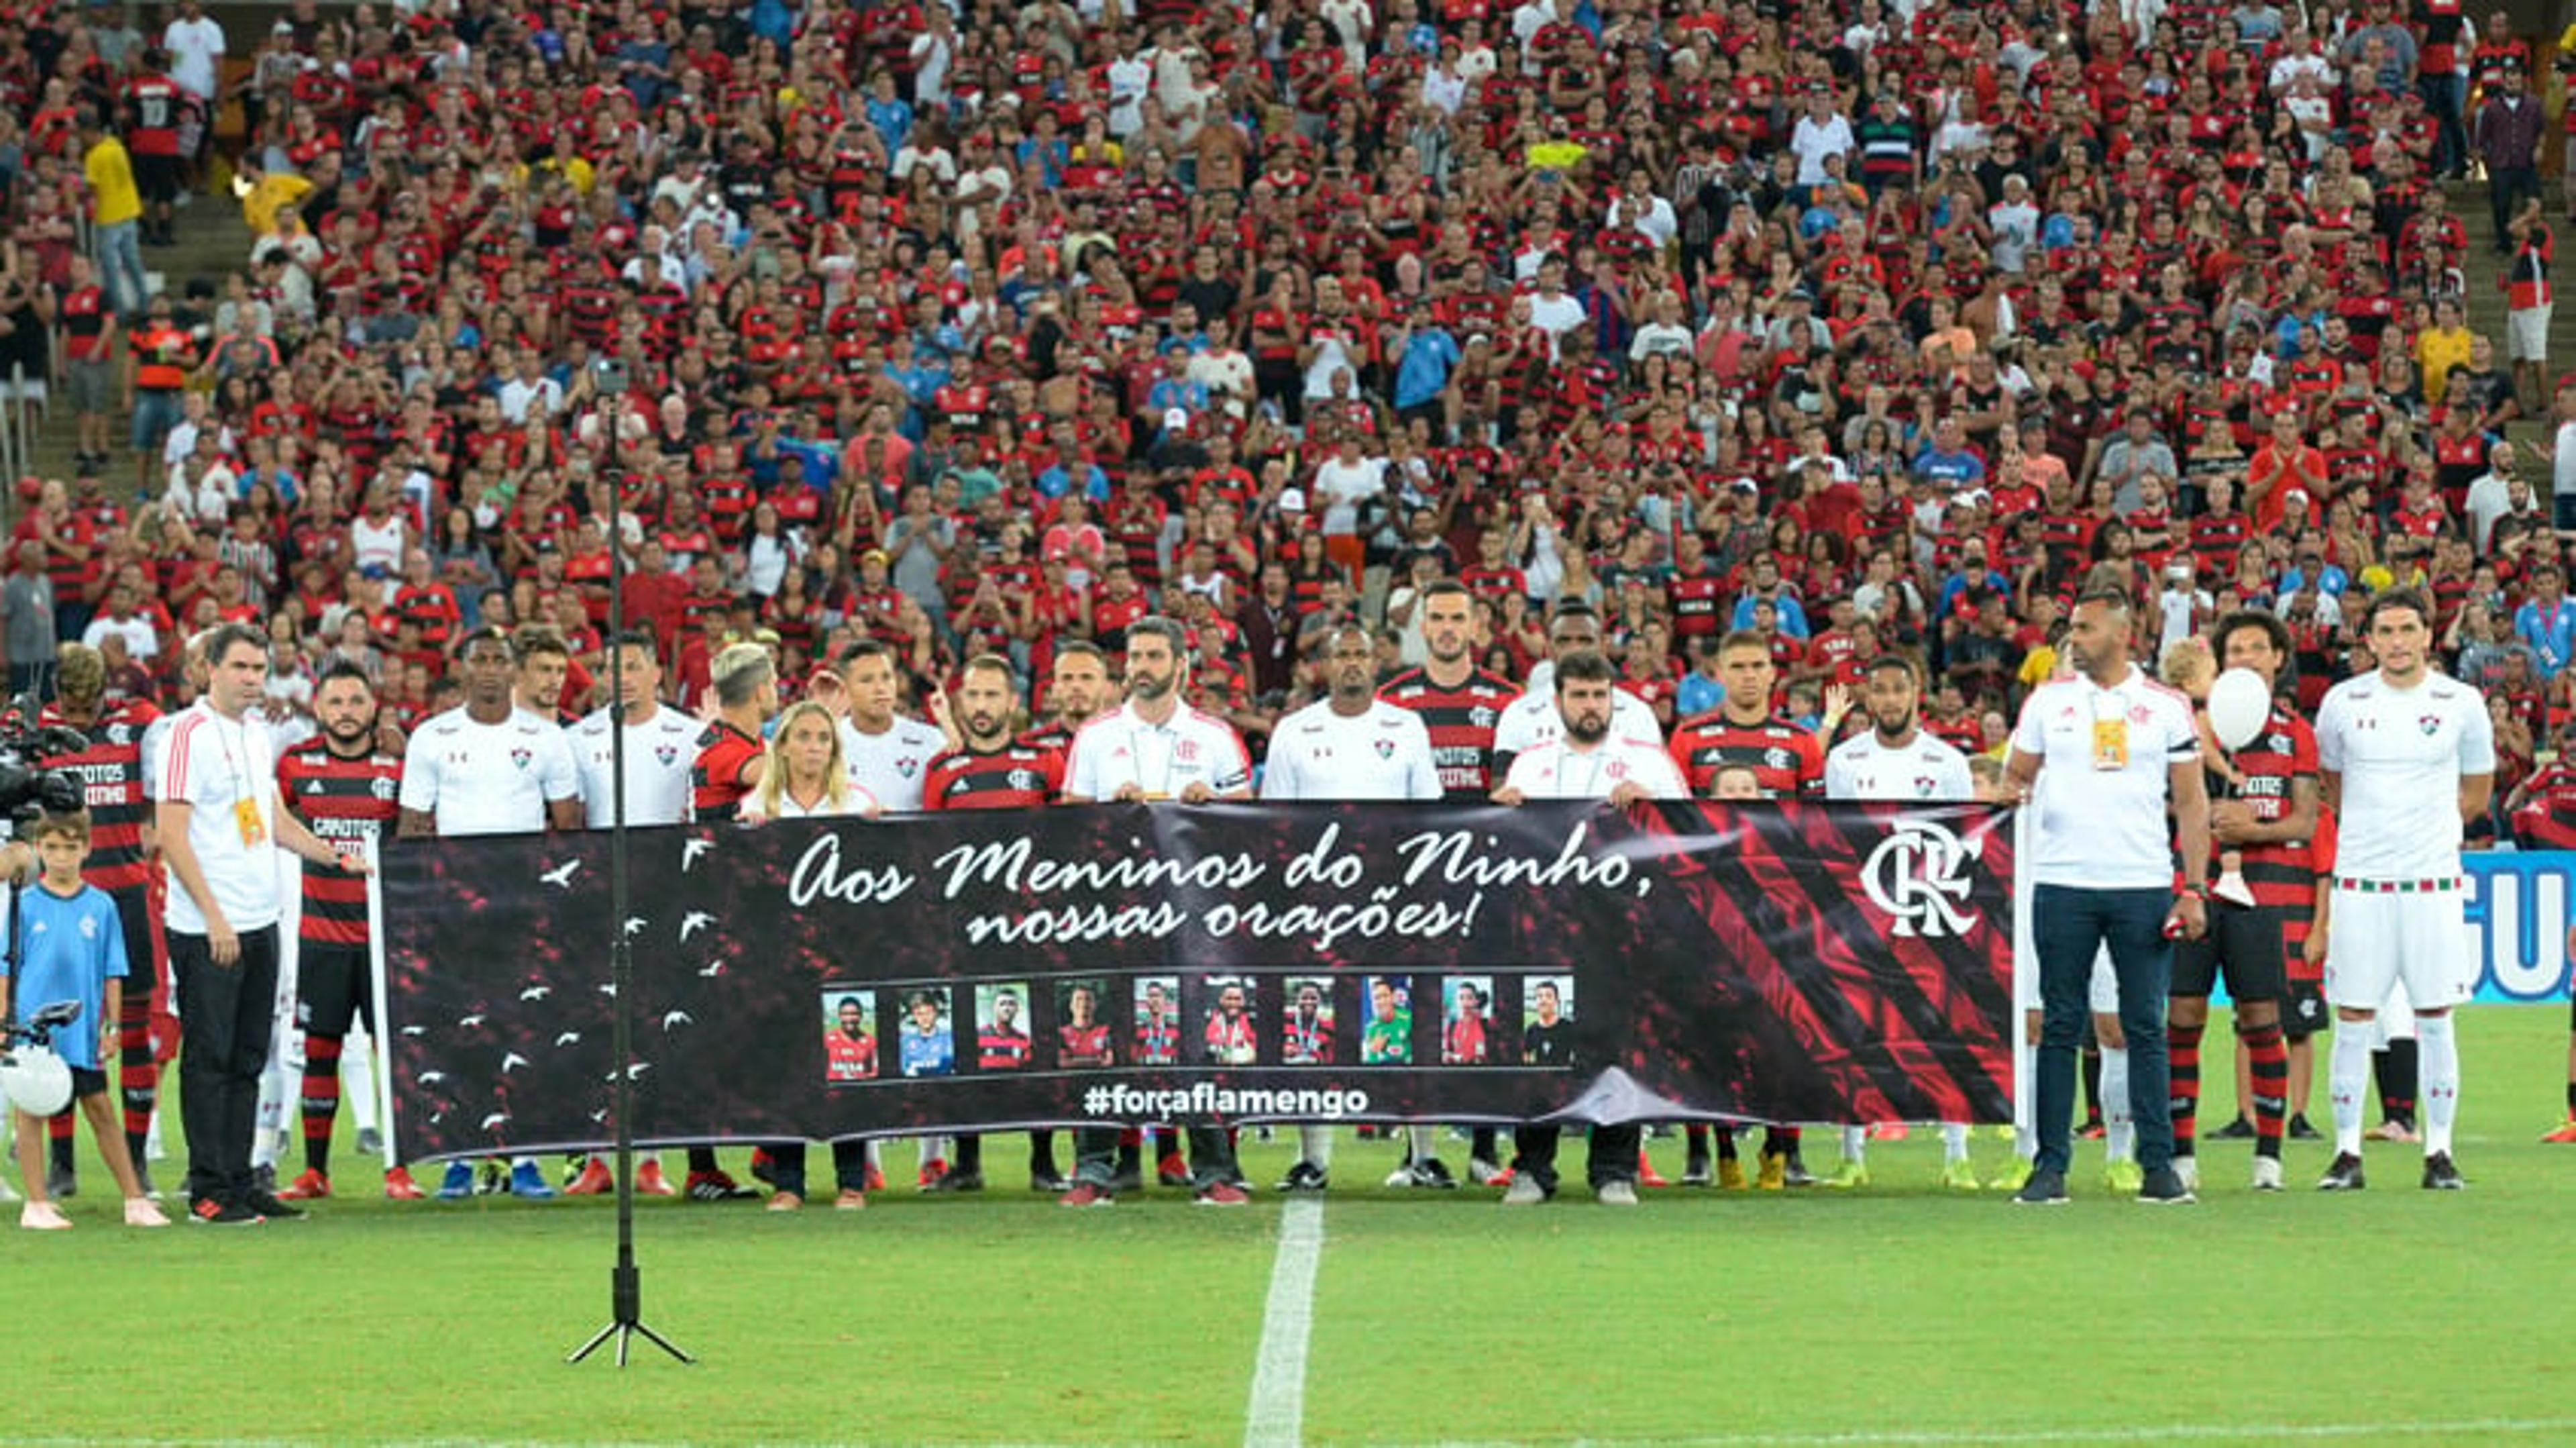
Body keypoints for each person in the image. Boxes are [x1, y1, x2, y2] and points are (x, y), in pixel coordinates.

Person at [158, 622, 370, 1225]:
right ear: (211, 670)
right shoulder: (187, 734)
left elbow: (273, 820)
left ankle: (241, 1177)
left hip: (260, 918)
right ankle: (206, 1187)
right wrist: (215, 917)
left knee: (251, 1054)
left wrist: (334, 856)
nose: (254, 679)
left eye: (260, 669)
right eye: (242, 668)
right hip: (208, 926)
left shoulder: (256, 734)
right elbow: (172, 834)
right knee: (210, 1056)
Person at [2003, 587, 2210, 1206]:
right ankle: (2050, 1167)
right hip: (2062, 882)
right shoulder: (2047, 702)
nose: (2073, 638)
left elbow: (2193, 801)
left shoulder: (2167, 706)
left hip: (2142, 883)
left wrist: (2193, 888)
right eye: (2071, 627)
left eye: (2084, 628)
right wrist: (2011, 795)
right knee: (2061, 1024)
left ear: (2121, 635)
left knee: (2145, 1025)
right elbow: (2016, 776)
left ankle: (2157, 1166)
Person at [1059, 615, 1253, 1207]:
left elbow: (1250, 818)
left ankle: (1215, 1169)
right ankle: (1095, 1169)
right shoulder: (1096, 735)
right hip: (1115, 913)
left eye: (1152, 656)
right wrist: (1107, 815)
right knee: (1103, 1037)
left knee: (1198, 1037)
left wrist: (1212, 805)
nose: (1140, 666)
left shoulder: (1215, 735)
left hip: (1193, 916)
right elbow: (1067, 817)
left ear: (1179, 666)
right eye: (1135, 656)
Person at [2312, 588, 2493, 1191]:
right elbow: (2333, 787)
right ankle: (2345, 1154)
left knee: (2435, 1015)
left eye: (2406, 630)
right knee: (2355, 1015)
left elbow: (2476, 792)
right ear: (2368, 640)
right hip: (2361, 881)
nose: (2396, 642)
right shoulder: (2343, 702)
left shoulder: (2462, 702)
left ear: (2427, 633)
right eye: (2384, 631)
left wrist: (2430, 836)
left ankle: (2439, 1153)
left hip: (2433, 881)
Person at [1491, 649, 1685, 1206]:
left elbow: (1692, 834)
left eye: (1600, 695)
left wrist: (1653, 807)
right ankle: (1532, 1168)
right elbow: (1501, 847)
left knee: (1618, 1048)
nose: (1591, 706)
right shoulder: (1529, 764)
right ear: (1558, 702)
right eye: (1580, 695)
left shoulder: (1647, 761)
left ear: (1614, 702)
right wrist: (1502, 809)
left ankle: (1615, 1170)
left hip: (1623, 930)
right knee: (1541, 1046)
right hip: (1546, 928)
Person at [396, 625, 582, 1202]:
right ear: (462, 668)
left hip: (524, 905)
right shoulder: (432, 737)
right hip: (454, 908)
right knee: (458, 1032)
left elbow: (569, 823)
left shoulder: (546, 738)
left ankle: (524, 1157)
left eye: (501, 659)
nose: (490, 669)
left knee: (525, 1028)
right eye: (479, 659)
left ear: (514, 671)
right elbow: (412, 828)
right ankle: (458, 1158)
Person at [1260, 623, 1441, 1192]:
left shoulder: (1406, 726)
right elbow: (1276, 825)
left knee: (1406, 1017)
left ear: (1377, 662)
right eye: (1342, 656)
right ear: (1324, 665)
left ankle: (1424, 1155)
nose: (1353, 664)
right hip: (1318, 904)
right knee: (1313, 1018)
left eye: (1362, 654)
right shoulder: (1294, 730)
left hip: (1393, 902)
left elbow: (1429, 817)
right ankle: (1312, 1158)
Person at [1665, 628, 1839, 1187]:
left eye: (1757, 665)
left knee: (1788, 1033)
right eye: (1736, 665)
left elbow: (1818, 831)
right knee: (1703, 1031)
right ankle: (1699, 1149)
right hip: (1707, 913)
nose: (1747, 675)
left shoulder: (1800, 743)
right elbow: (1671, 829)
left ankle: (1787, 1147)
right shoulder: (1690, 739)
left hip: (1780, 915)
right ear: (1718, 672)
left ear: (1772, 673)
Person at [1378, 579, 1521, 1184]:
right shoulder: (1393, 700)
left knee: (1480, 1004)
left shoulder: (1507, 700)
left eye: (1456, 618)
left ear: (1476, 625)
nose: (1445, 628)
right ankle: (1418, 1151)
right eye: (1435, 618)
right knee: (1419, 1006)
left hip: (1485, 874)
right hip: (1410, 878)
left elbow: (1517, 786)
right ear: (1422, 627)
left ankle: (1485, 1146)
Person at [1820, 652, 1980, 1190]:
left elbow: (1964, 837)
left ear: (1916, 695)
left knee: (1941, 1027)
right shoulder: (1845, 759)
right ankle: (1852, 1155)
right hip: (1864, 909)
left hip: (1928, 909)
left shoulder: (1947, 761)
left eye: (1898, 689)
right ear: (1867, 697)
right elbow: (1837, 838)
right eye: (1880, 690)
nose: (1889, 700)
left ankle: (1957, 1154)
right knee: (1855, 1028)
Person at [2168, 613, 2315, 1193]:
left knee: (2261, 1020)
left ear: (2279, 657)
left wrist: (2251, 829)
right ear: (2221, 660)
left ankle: (2269, 1155)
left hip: (2263, 897)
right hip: (2192, 891)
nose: (2249, 656)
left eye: (2259, 646)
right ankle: (2181, 1154)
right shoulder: (2184, 721)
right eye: (2237, 648)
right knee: (2182, 1016)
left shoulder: (2295, 732)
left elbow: (2305, 818)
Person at [561, 629, 707, 1199]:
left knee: (658, 1027)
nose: (619, 676)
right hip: (599, 901)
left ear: (656, 674)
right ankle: (597, 1158)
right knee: (600, 1026)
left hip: (667, 901)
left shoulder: (688, 734)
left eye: (631, 666)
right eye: (608, 667)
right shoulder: (578, 738)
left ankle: (650, 1158)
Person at [272, 664, 420, 1201]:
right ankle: (315, 1173)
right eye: (336, 701)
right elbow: (268, 818)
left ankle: (399, 1170)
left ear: (374, 708)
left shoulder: (397, 768)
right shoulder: (294, 765)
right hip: (321, 938)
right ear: (318, 708)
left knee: (395, 1054)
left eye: (357, 700)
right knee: (320, 1051)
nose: (346, 711)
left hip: (385, 941)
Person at [920, 654, 1065, 1192]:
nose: (981, 707)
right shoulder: (943, 770)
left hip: (1031, 926)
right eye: (973, 696)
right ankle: (967, 1161)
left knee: (1040, 1039)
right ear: (961, 702)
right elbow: (930, 851)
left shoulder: (1045, 761)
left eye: (991, 696)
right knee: (966, 1035)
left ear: (1012, 703)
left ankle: (1044, 1161)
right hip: (965, 927)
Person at [36, 642, 163, 1202]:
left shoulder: (139, 724)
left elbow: (172, 772)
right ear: (58, 692)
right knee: (54, 1031)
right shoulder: (34, 730)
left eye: (91, 707)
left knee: (133, 1032)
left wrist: (156, 820)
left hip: (126, 893)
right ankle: (62, 1165)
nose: (82, 718)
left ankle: (136, 1161)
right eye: (73, 707)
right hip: (58, 900)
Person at [745, 699, 878, 1210]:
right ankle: (789, 1183)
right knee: (785, 1067)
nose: (813, 747)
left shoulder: (857, 803)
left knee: (849, 1063)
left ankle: (851, 1181)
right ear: (783, 746)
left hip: (843, 955)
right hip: (777, 958)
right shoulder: (759, 807)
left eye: (823, 738)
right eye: (803, 737)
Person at [5, 809, 167, 1229]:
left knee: (100, 1107)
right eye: (52, 848)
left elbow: (113, 971)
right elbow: (7, 967)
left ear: (87, 850)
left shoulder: (101, 905)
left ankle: (135, 1199)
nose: (61, 858)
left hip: (80, 1029)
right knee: (31, 1110)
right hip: (32, 1028)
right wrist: (5, 1022)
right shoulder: (23, 905)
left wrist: (112, 1027)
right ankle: (36, 1204)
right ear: (39, 850)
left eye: (71, 848)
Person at [825, 996, 876, 1082]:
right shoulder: (827, 1040)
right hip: (833, 1094)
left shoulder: (870, 1042)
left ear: (861, 1015)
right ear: (839, 1016)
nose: (850, 1019)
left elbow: (874, 1072)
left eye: (854, 1014)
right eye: (845, 1014)